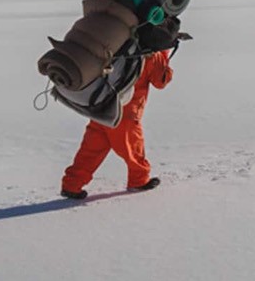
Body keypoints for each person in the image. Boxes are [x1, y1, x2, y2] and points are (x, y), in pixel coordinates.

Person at [59, 49, 174, 199]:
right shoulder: (150, 53)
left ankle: (71, 185)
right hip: (125, 113)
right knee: (132, 148)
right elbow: (161, 81)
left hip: (103, 106)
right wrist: (164, 54)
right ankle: (139, 180)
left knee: (91, 150)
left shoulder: (116, 44)